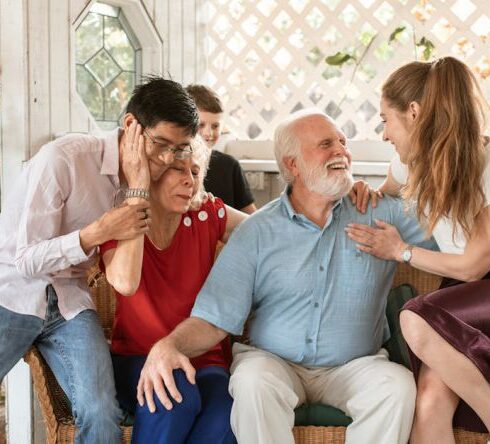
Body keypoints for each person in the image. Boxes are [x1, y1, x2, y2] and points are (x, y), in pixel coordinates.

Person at [129, 109, 439, 444]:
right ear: (292, 165)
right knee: (251, 381)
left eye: (342, 143)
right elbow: (215, 318)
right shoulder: (258, 231)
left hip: (355, 365)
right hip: (275, 364)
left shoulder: (379, 213)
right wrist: (169, 345)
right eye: (325, 144)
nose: (341, 151)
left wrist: (405, 243)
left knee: (396, 386)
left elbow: (453, 235)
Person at [0, 76, 199, 443]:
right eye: (160, 145)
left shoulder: (150, 182)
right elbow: (26, 260)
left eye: (180, 149)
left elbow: (207, 205)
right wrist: (96, 233)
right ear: (130, 126)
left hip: (69, 303)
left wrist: (139, 186)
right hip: (12, 290)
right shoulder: (65, 158)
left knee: (100, 413)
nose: (168, 159)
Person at [345, 56, 490, 441]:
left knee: (415, 318)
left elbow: (475, 266)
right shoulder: (410, 166)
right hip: (460, 296)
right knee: (428, 403)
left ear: (413, 113)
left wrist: (401, 251)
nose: (384, 133)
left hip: (480, 288)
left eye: (385, 120)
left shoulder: (485, 163)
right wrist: (362, 190)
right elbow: (385, 189)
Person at [101, 133, 246, 443]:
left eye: (195, 172)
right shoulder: (122, 221)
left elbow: (264, 230)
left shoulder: (207, 214)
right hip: (136, 357)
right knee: (174, 395)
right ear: (154, 173)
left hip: (205, 360)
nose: (189, 181)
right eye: (179, 170)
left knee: (227, 418)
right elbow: (124, 282)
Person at [185, 84, 257, 214]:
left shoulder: (230, 166)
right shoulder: (175, 165)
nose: (208, 133)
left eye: (215, 126)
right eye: (200, 125)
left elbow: (251, 217)